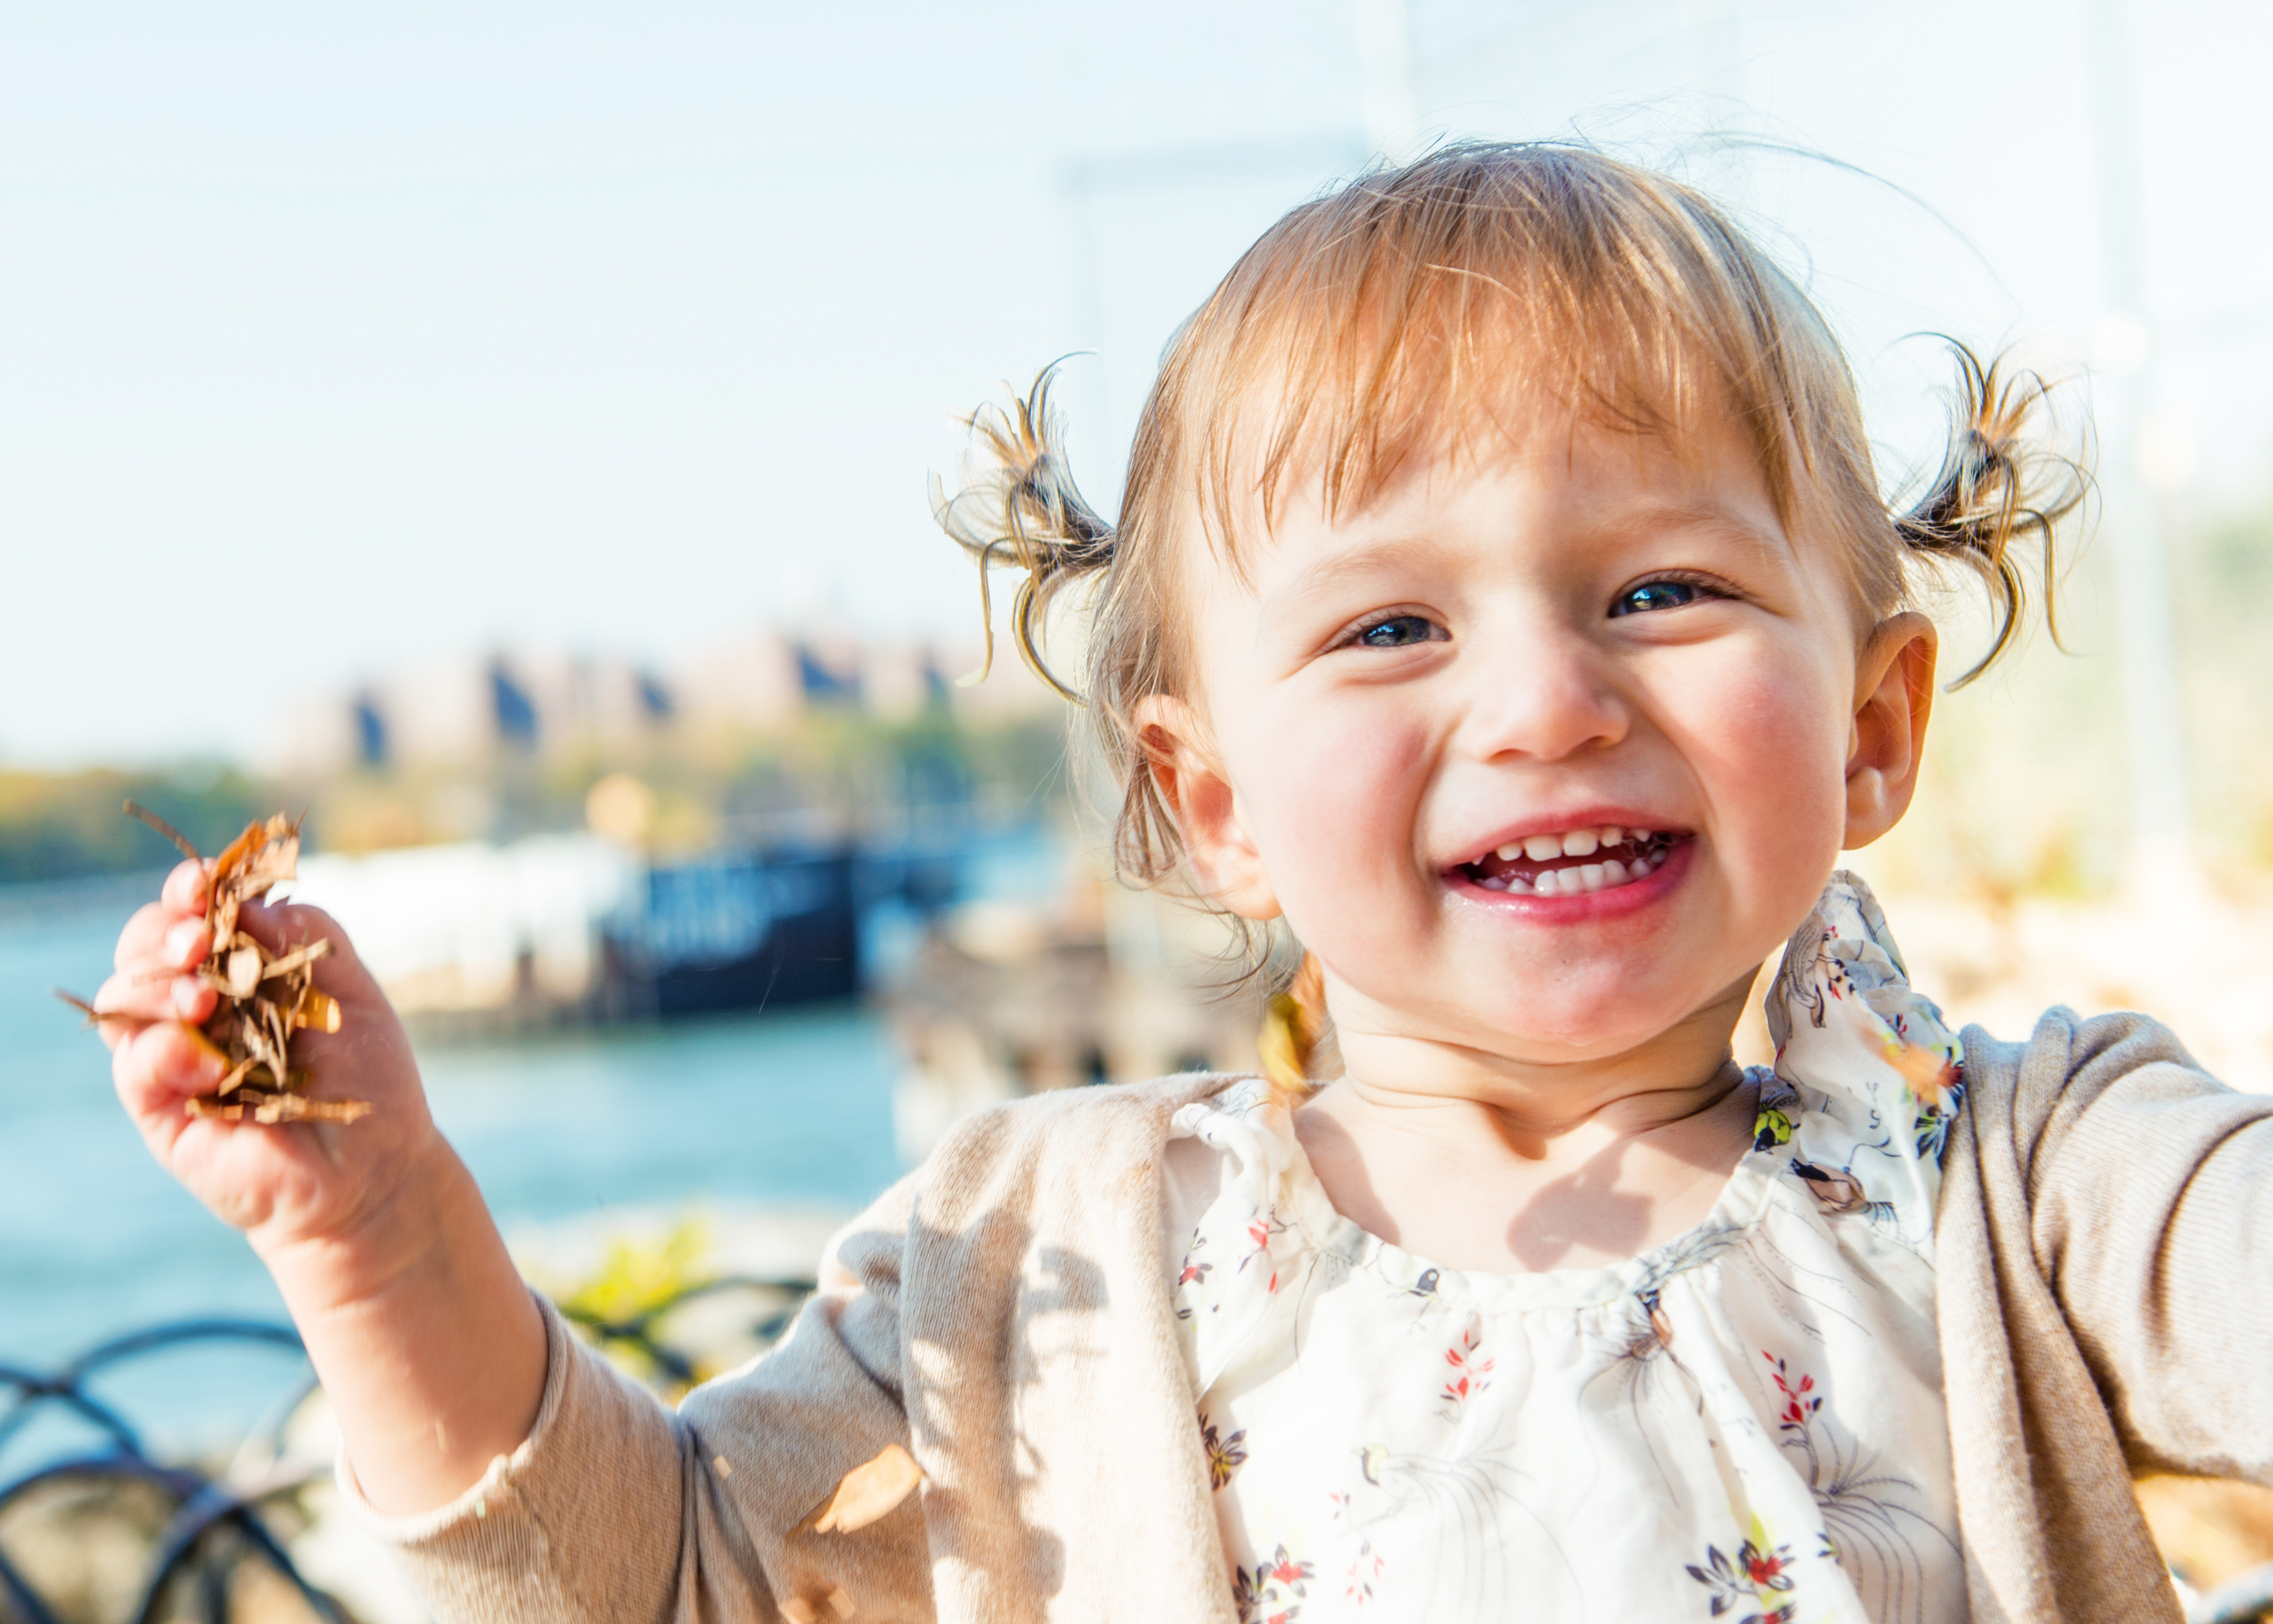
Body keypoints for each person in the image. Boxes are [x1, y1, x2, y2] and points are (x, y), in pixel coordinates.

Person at [96, 145, 2273, 1624]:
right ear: (1208, 795)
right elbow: (669, 1576)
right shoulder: (1047, 1255)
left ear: (1876, 716)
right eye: (1386, 626)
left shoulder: (2031, 1168)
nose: (1541, 697)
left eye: (1663, 584)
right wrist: (379, 1238)